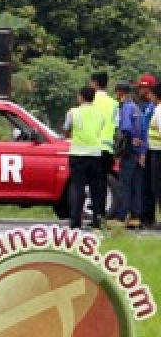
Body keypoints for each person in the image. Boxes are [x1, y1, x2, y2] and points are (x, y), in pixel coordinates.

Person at [64, 86, 108, 230]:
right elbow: (100, 129)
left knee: (78, 189)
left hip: (78, 155)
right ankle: (97, 220)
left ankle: (76, 222)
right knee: (96, 189)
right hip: (95, 154)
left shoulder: (73, 112)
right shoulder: (100, 114)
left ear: (81, 97)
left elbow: (66, 129)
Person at [113, 82, 144, 224]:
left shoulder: (126, 107)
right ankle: (135, 217)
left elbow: (125, 128)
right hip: (138, 149)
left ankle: (121, 216)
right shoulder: (136, 107)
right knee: (136, 183)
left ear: (120, 92)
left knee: (124, 183)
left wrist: (119, 150)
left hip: (128, 149)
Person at [90, 72, 118, 200]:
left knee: (92, 182)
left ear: (95, 83)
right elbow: (117, 127)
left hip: (91, 148)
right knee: (103, 182)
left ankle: (94, 214)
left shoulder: (90, 101)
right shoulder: (114, 103)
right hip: (107, 149)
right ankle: (101, 213)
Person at [141, 77, 159, 227]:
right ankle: (149, 217)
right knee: (151, 186)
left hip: (156, 152)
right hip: (151, 150)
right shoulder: (149, 106)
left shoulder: (157, 109)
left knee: (156, 186)